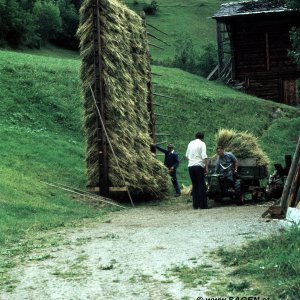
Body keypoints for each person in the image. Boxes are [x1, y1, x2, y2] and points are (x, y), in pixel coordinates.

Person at [185, 132, 208, 209]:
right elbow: (204, 156)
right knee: (201, 185)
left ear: (195, 136)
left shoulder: (190, 143)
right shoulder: (202, 144)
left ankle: (195, 205)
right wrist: (206, 167)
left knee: (195, 185)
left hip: (191, 166)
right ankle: (203, 205)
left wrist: (192, 160)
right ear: (202, 138)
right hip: (199, 166)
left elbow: (187, 156)